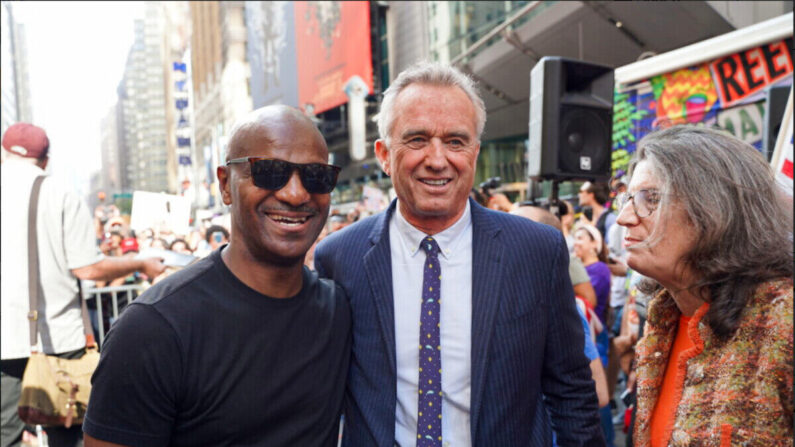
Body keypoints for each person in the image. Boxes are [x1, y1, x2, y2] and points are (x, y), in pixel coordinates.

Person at [315, 61, 603, 446]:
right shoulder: (339, 258)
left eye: (455, 141)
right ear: (384, 155)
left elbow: (572, 394)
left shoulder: (536, 251)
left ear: (475, 152)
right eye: (417, 140)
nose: (437, 160)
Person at [83, 105, 351, 447]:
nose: (295, 194)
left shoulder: (339, 311)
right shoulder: (153, 330)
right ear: (225, 185)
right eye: (269, 172)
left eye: (316, 176)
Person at [615, 125, 793, 446]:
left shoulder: (783, 321)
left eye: (649, 199)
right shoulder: (662, 321)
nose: (624, 217)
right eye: (626, 198)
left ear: (713, 210)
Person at [0, 123, 166, 447]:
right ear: (45, 160)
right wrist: (142, 262)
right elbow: (88, 268)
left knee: (5, 436)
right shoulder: (58, 193)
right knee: (67, 431)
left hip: (4, 340)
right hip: (58, 338)